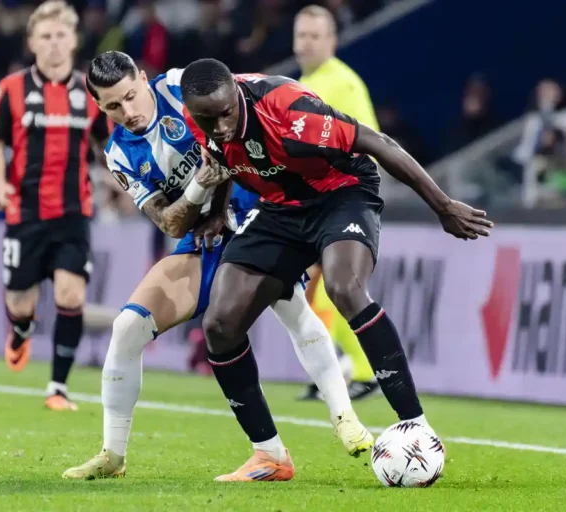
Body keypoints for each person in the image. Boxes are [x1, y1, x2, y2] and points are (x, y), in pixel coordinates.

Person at [61, 51, 373, 481]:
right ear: (98, 105)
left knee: (292, 306)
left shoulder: (178, 88)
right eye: (113, 106)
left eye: (131, 96)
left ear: (144, 79)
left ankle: (345, 418)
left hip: (258, 210)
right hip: (203, 233)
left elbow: (237, 123)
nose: (128, 112)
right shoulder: (119, 154)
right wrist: (197, 191)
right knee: (127, 328)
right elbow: (169, 222)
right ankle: (114, 455)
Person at [180, 58, 493, 481]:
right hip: (279, 208)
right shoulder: (199, 114)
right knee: (219, 324)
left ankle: (416, 425)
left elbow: (380, 143)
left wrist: (443, 206)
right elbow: (222, 157)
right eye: (207, 118)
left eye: (225, 114)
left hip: (341, 194)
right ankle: (270, 456)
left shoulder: (291, 111)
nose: (218, 126)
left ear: (237, 93)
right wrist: (217, 211)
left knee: (344, 287)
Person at [0, 1, 111, 411]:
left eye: (61, 35)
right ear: (32, 42)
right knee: (20, 302)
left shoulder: (91, 93)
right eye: (46, 36)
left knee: (71, 296)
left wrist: (122, 178)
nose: (54, 43)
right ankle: (21, 329)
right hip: (25, 212)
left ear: (73, 41)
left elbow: (107, 143)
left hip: (75, 212)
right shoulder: (12, 89)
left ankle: (58, 388)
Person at [294, 4, 380, 401]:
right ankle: (340, 373)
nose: (307, 43)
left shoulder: (343, 83)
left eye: (315, 36)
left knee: (333, 287)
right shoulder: (301, 83)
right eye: (301, 35)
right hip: (311, 203)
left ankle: (359, 372)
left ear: (332, 41)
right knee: (322, 290)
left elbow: (370, 141)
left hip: (341, 200)